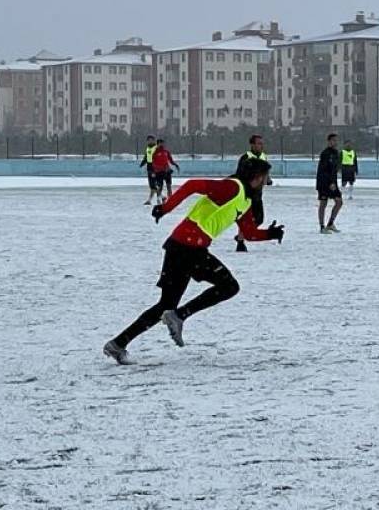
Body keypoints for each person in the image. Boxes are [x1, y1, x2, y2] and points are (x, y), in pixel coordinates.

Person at [103, 158, 284, 365]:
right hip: (189, 247)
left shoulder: (245, 200)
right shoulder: (231, 187)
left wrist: (270, 233)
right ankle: (179, 316)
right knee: (229, 286)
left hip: (181, 247)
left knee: (166, 305)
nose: (267, 182)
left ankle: (118, 344)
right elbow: (192, 185)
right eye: (266, 177)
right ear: (257, 178)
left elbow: (249, 233)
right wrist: (165, 208)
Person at [233, 135, 271, 252]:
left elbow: (266, 171)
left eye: (262, 143)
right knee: (246, 218)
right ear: (252, 145)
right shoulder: (246, 158)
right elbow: (239, 175)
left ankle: (243, 235)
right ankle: (240, 241)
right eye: (259, 143)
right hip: (247, 194)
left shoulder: (263, 156)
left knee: (259, 219)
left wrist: (267, 179)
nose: (261, 146)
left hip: (258, 194)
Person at [316, 133, 344, 233]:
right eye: (333, 140)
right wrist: (329, 182)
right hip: (324, 182)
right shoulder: (325, 154)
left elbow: (334, 169)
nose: (335, 142)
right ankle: (322, 227)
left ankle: (330, 224)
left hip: (333, 182)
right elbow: (323, 170)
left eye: (336, 140)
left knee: (339, 202)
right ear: (329, 141)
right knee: (323, 203)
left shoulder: (336, 153)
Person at [140, 135, 159, 205]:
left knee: (154, 185)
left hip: (155, 168)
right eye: (149, 140)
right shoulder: (148, 148)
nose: (150, 141)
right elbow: (146, 156)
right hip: (149, 168)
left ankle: (160, 198)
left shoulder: (156, 148)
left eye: (151, 140)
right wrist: (143, 163)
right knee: (152, 185)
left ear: (154, 140)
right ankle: (152, 200)